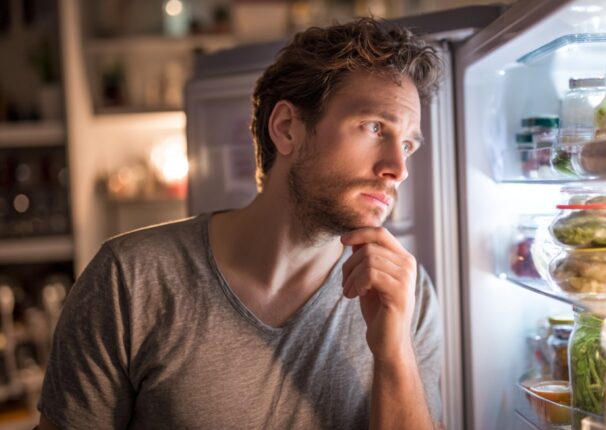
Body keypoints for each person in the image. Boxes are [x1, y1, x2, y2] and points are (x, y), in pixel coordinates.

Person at [37, 17, 444, 430]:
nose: (398, 168)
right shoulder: (130, 281)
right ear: (287, 129)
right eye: (375, 127)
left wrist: (393, 352)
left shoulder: (408, 295)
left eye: (408, 144)